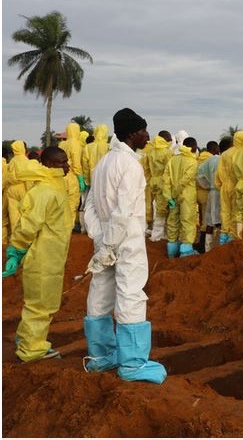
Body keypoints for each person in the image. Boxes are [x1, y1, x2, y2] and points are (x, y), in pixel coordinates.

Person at [82, 108, 167, 384]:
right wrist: (110, 242)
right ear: (132, 134)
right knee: (130, 293)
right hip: (125, 241)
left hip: (106, 240)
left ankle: (100, 357)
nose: (147, 135)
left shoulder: (103, 162)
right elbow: (122, 211)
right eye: (144, 130)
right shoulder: (129, 165)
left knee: (101, 293)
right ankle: (132, 364)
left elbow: (90, 207)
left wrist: (100, 241)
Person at [3, 146, 72, 362]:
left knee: (41, 302)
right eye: (61, 162)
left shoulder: (54, 185)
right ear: (49, 165)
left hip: (50, 256)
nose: (66, 165)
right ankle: (31, 350)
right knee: (40, 305)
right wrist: (16, 251)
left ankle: (26, 338)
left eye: (66, 161)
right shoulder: (45, 191)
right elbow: (28, 226)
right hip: (43, 258)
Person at [162, 137, 199, 258]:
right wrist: (175, 193)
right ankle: (186, 251)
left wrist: (169, 196)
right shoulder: (192, 162)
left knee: (173, 221)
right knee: (187, 221)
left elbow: (165, 180)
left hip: (173, 197)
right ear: (193, 147)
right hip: (187, 196)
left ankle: (172, 251)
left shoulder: (172, 160)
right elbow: (184, 181)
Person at [5, 141, 35, 243]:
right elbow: (28, 178)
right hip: (23, 187)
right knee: (25, 214)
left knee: (14, 215)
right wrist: (30, 191)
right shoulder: (25, 161)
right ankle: (25, 239)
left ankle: (15, 239)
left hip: (11, 189)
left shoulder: (12, 161)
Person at [145, 131, 173, 241]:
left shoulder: (150, 151)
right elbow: (170, 169)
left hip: (153, 180)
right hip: (163, 182)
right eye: (169, 138)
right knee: (162, 210)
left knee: (157, 205)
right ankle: (157, 236)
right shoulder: (167, 152)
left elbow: (147, 168)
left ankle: (160, 234)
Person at [59, 122, 86, 232]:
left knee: (61, 205)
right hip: (71, 176)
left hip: (60, 177)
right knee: (71, 205)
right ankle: (67, 231)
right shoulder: (75, 144)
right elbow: (76, 163)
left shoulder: (62, 144)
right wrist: (80, 178)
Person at [195, 141, 221, 252]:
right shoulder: (220, 159)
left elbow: (199, 175)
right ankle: (221, 248)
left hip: (209, 193)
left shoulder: (205, 160)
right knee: (223, 220)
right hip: (220, 193)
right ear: (216, 149)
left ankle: (207, 248)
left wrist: (207, 186)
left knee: (209, 221)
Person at [215, 134, 238, 245]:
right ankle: (232, 237)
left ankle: (223, 236)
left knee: (225, 212)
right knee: (235, 212)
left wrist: (220, 185)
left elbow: (218, 173)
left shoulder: (224, 154)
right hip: (236, 186)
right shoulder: (241, 153)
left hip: (224, 186)